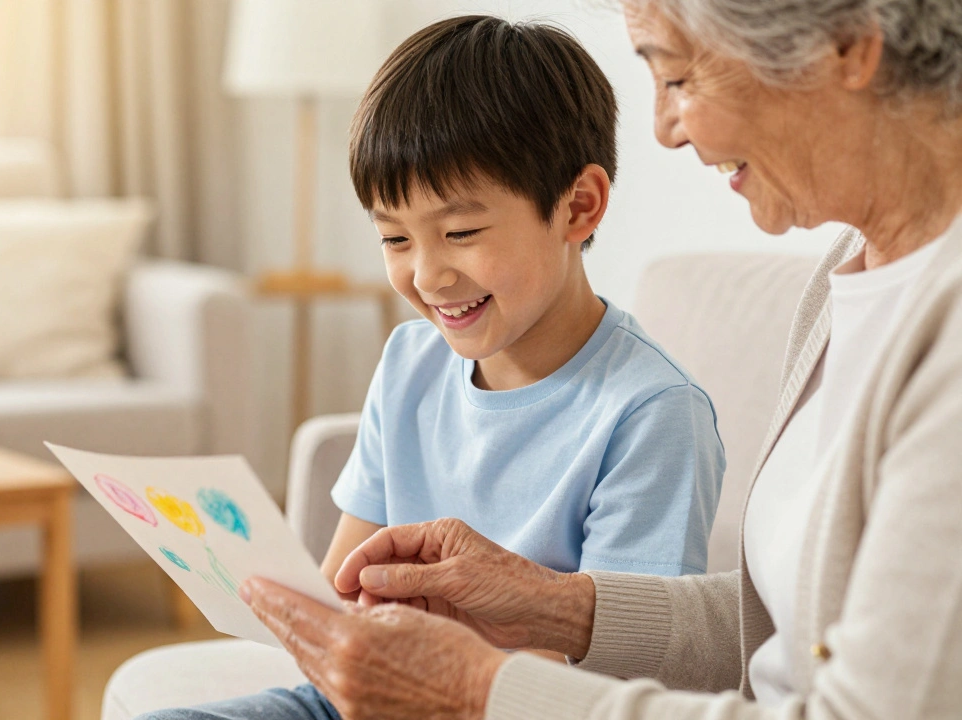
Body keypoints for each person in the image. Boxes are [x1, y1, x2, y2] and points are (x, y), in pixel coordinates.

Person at [241, 0, 962, 718]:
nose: (662, 129)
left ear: (844, 50)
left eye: (678, 77)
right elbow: (772, 623)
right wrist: (548, 602)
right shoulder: (848, 275)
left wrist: (472, 688)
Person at [142, 14, 726, 720]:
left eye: (460, 233)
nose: (428, 275)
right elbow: (344, 591)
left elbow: (620, 676)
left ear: (578, 206)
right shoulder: (410, 360)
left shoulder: (651, 414)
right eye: (394, 237)